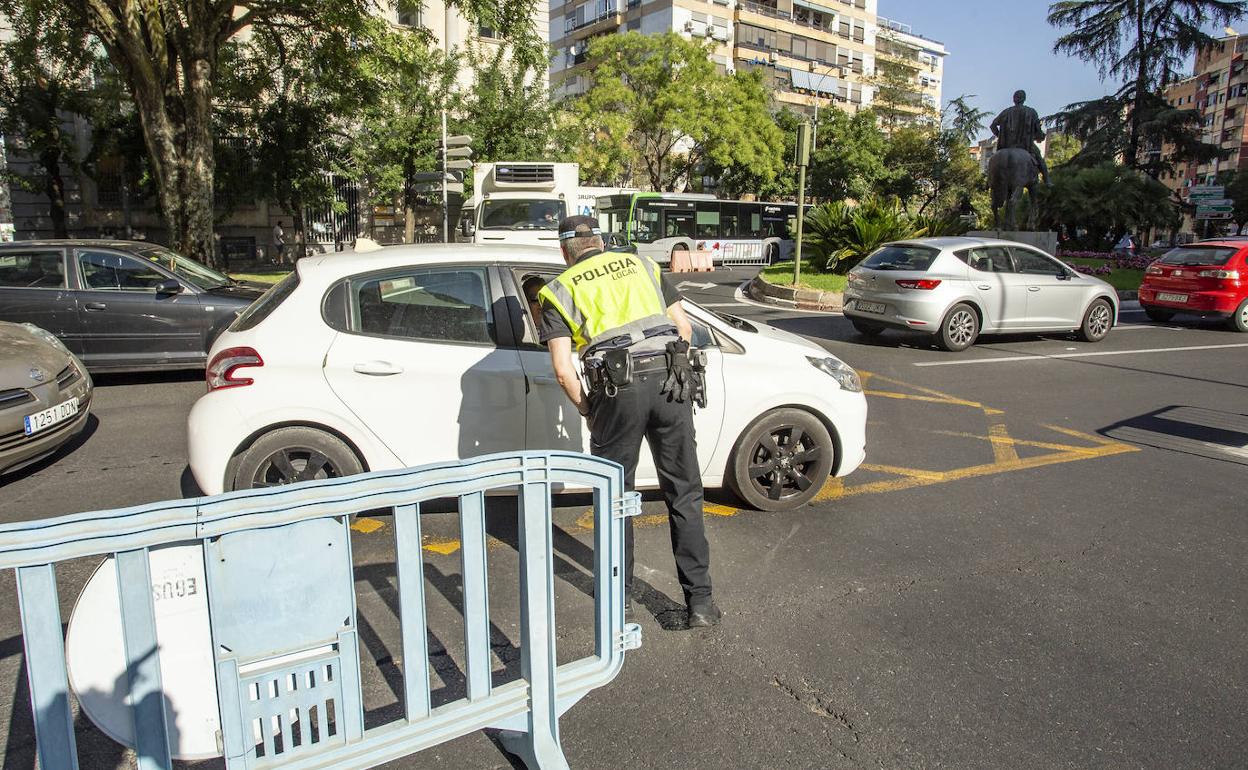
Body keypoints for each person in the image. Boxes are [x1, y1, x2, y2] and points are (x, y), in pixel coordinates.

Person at [536, 215, 721, 628]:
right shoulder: (643, 265)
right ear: (600, 242)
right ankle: (702, 604)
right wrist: (672, 371)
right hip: (671, 383)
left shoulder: (559, 290)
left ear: (565, 250)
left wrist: (587, 409)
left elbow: (564, 370)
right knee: (684, 493)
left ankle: (619, 605)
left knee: (617, 499)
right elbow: (684, 328)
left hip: (616, 393)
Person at [990, 89, 1050, 185]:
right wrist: (1040, 136)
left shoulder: (1006, 112)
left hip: (1007, 146)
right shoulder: (1031, 112)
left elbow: (993, 126)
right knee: (1039, 158)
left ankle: (989, 181)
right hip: (1025, 146)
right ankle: (1047, 180)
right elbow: (1038, 130)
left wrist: (1000, 137)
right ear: (1024, 99)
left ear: (1014, 99)